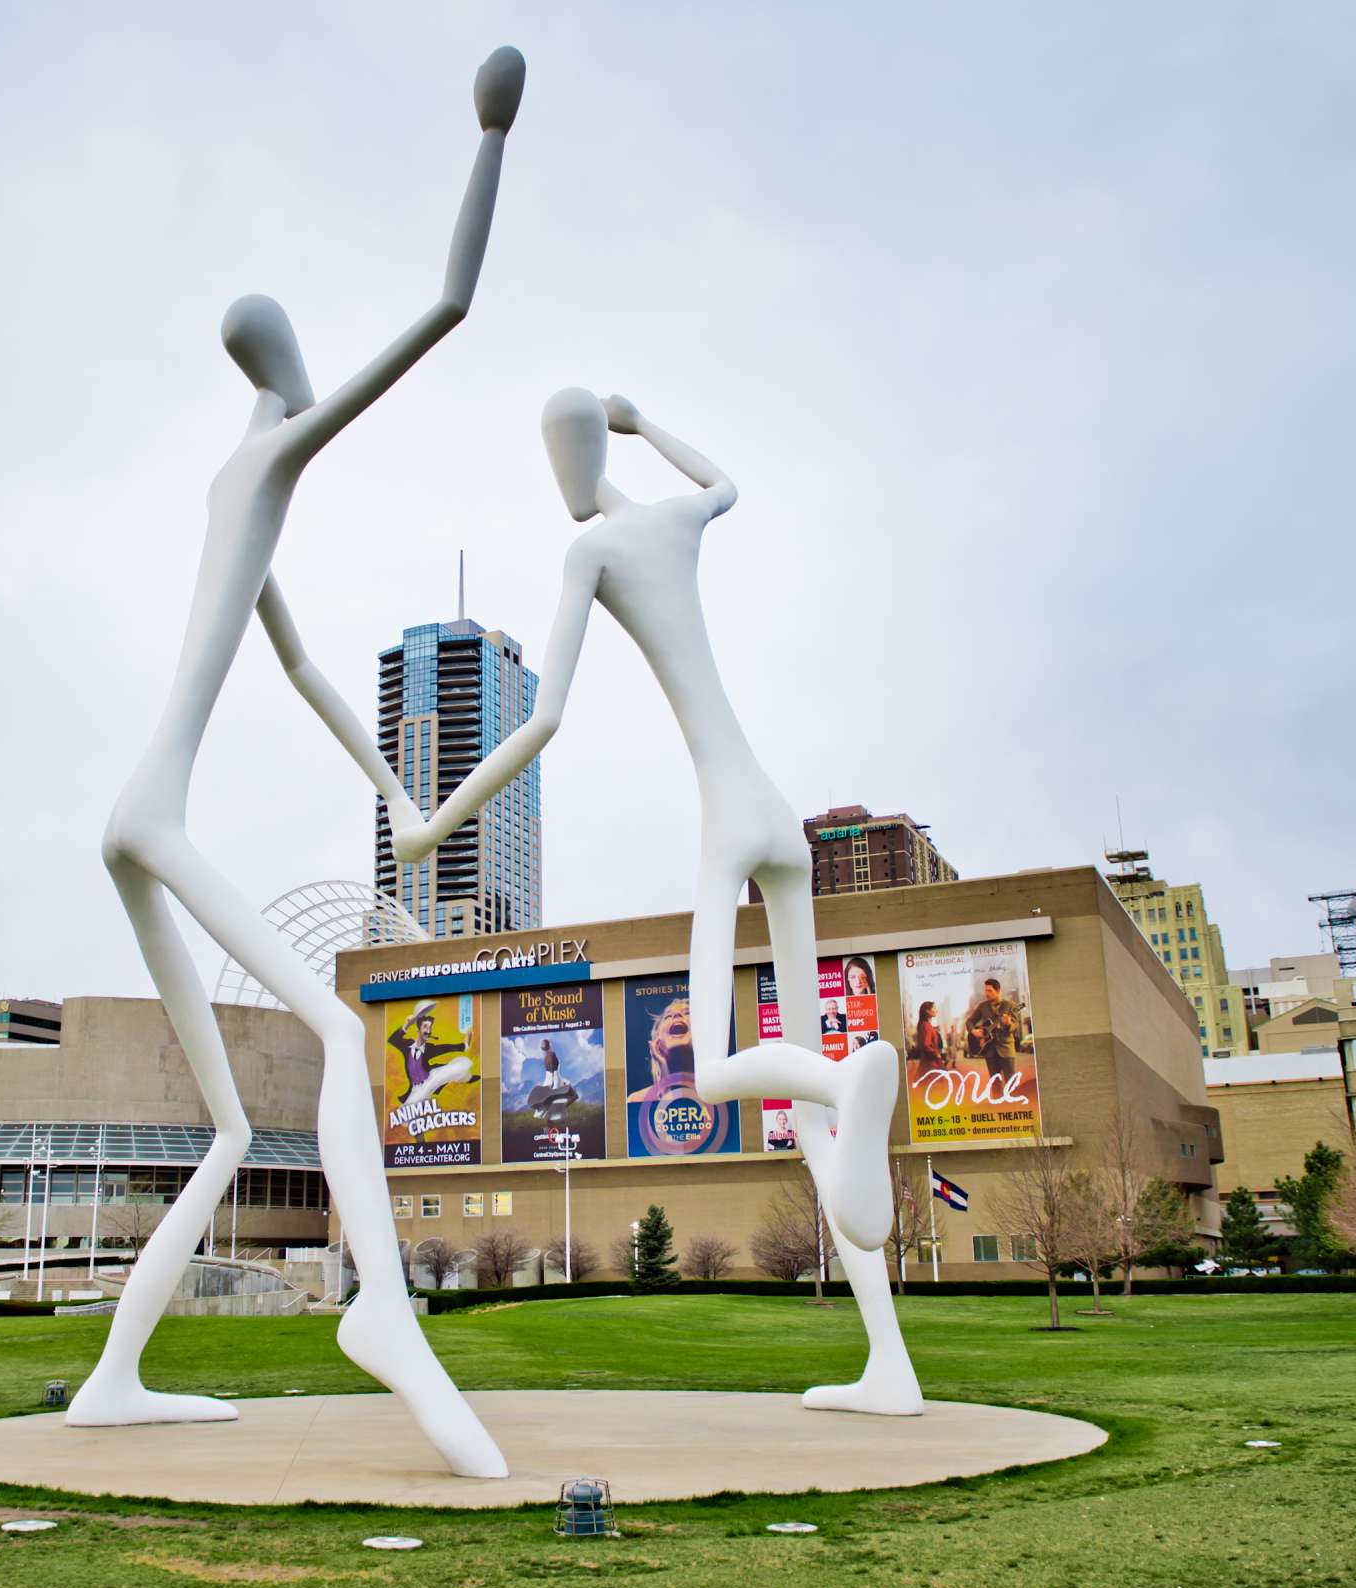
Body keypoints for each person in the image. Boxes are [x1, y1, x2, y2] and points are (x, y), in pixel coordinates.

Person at [69, 48, 526, 1482]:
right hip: (157, 816)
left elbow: (304, 663)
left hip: (132, 814)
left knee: (224, 1131)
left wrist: (394, 782)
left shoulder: (233, 488)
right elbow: (448, 308)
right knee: (339, 1039)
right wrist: (493, 138)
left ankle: (113, 1382)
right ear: (282, 369)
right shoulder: (273, 460)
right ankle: (384, 1312)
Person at [384, 391, 918, 1417]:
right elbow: (725, 484)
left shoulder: (590, 554)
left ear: (568, 462)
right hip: (783, 812)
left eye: (564, 456)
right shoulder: (675, 517)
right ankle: (889, 1362)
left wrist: (435, 818)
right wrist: (644, 422)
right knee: (806, 1113)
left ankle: (846, 1086)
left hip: (728, 816)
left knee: (720, 1069)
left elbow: (541, 721)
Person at [388, 1001, 475, 1113]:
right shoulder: (406, 1046)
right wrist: (408, 1024)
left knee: (455, 1068)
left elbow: (445, 1048)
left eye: (430, 1028)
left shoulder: (429, 1048)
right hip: (416, 1090)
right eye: (425, 1027)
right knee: (407, 1115)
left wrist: (464, 1045)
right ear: (418, 1029)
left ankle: (467, 1077)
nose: (428, 1031)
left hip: (430, 1080)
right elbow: (393, 1040)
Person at [963, 977, 1024, 1088]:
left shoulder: (1010, 1005)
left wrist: (1008, 1024)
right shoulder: (982, 1006)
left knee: (1011, 1083)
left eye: (989, 991)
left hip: (1006, 1049)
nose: (986, 993)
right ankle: (998, 1105)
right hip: (989, 1050)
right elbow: (969, 1021)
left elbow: (1015, 1025)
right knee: (994, 1083)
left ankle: (1013, 1105)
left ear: (998, 990)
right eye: (985, 990)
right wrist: (973, 1031)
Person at [908, 999, 946, 1067]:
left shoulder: (926, 1025)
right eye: (934, 1008)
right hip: (930, 1063)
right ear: (927, 1011)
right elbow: (926, 1045)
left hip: (929, 1062)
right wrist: (937, 1054)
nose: (936, 1010)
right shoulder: (926, 1026)